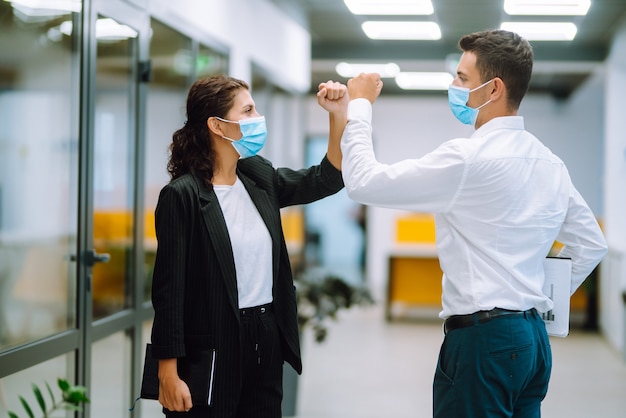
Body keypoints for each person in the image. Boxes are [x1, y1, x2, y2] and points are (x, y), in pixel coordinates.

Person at [339, 30, 608, 417]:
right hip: (532, 339)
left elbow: (363, 181)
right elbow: (590, 243)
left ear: (494, 87)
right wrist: (541, 297)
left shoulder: (468, 160)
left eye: (462, 78)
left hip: (484, 342)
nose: (453, 86)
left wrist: (360, 106)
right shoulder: (549, 162)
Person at [149, 74, 347, 418]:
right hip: (212, 341)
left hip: (266, 335)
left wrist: (337, 114)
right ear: (217, 125)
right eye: (248, 110)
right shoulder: (183, 196)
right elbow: (169, 292)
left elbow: (325, 179)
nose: (258, 118)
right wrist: (167, 370)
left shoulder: (259, 176)